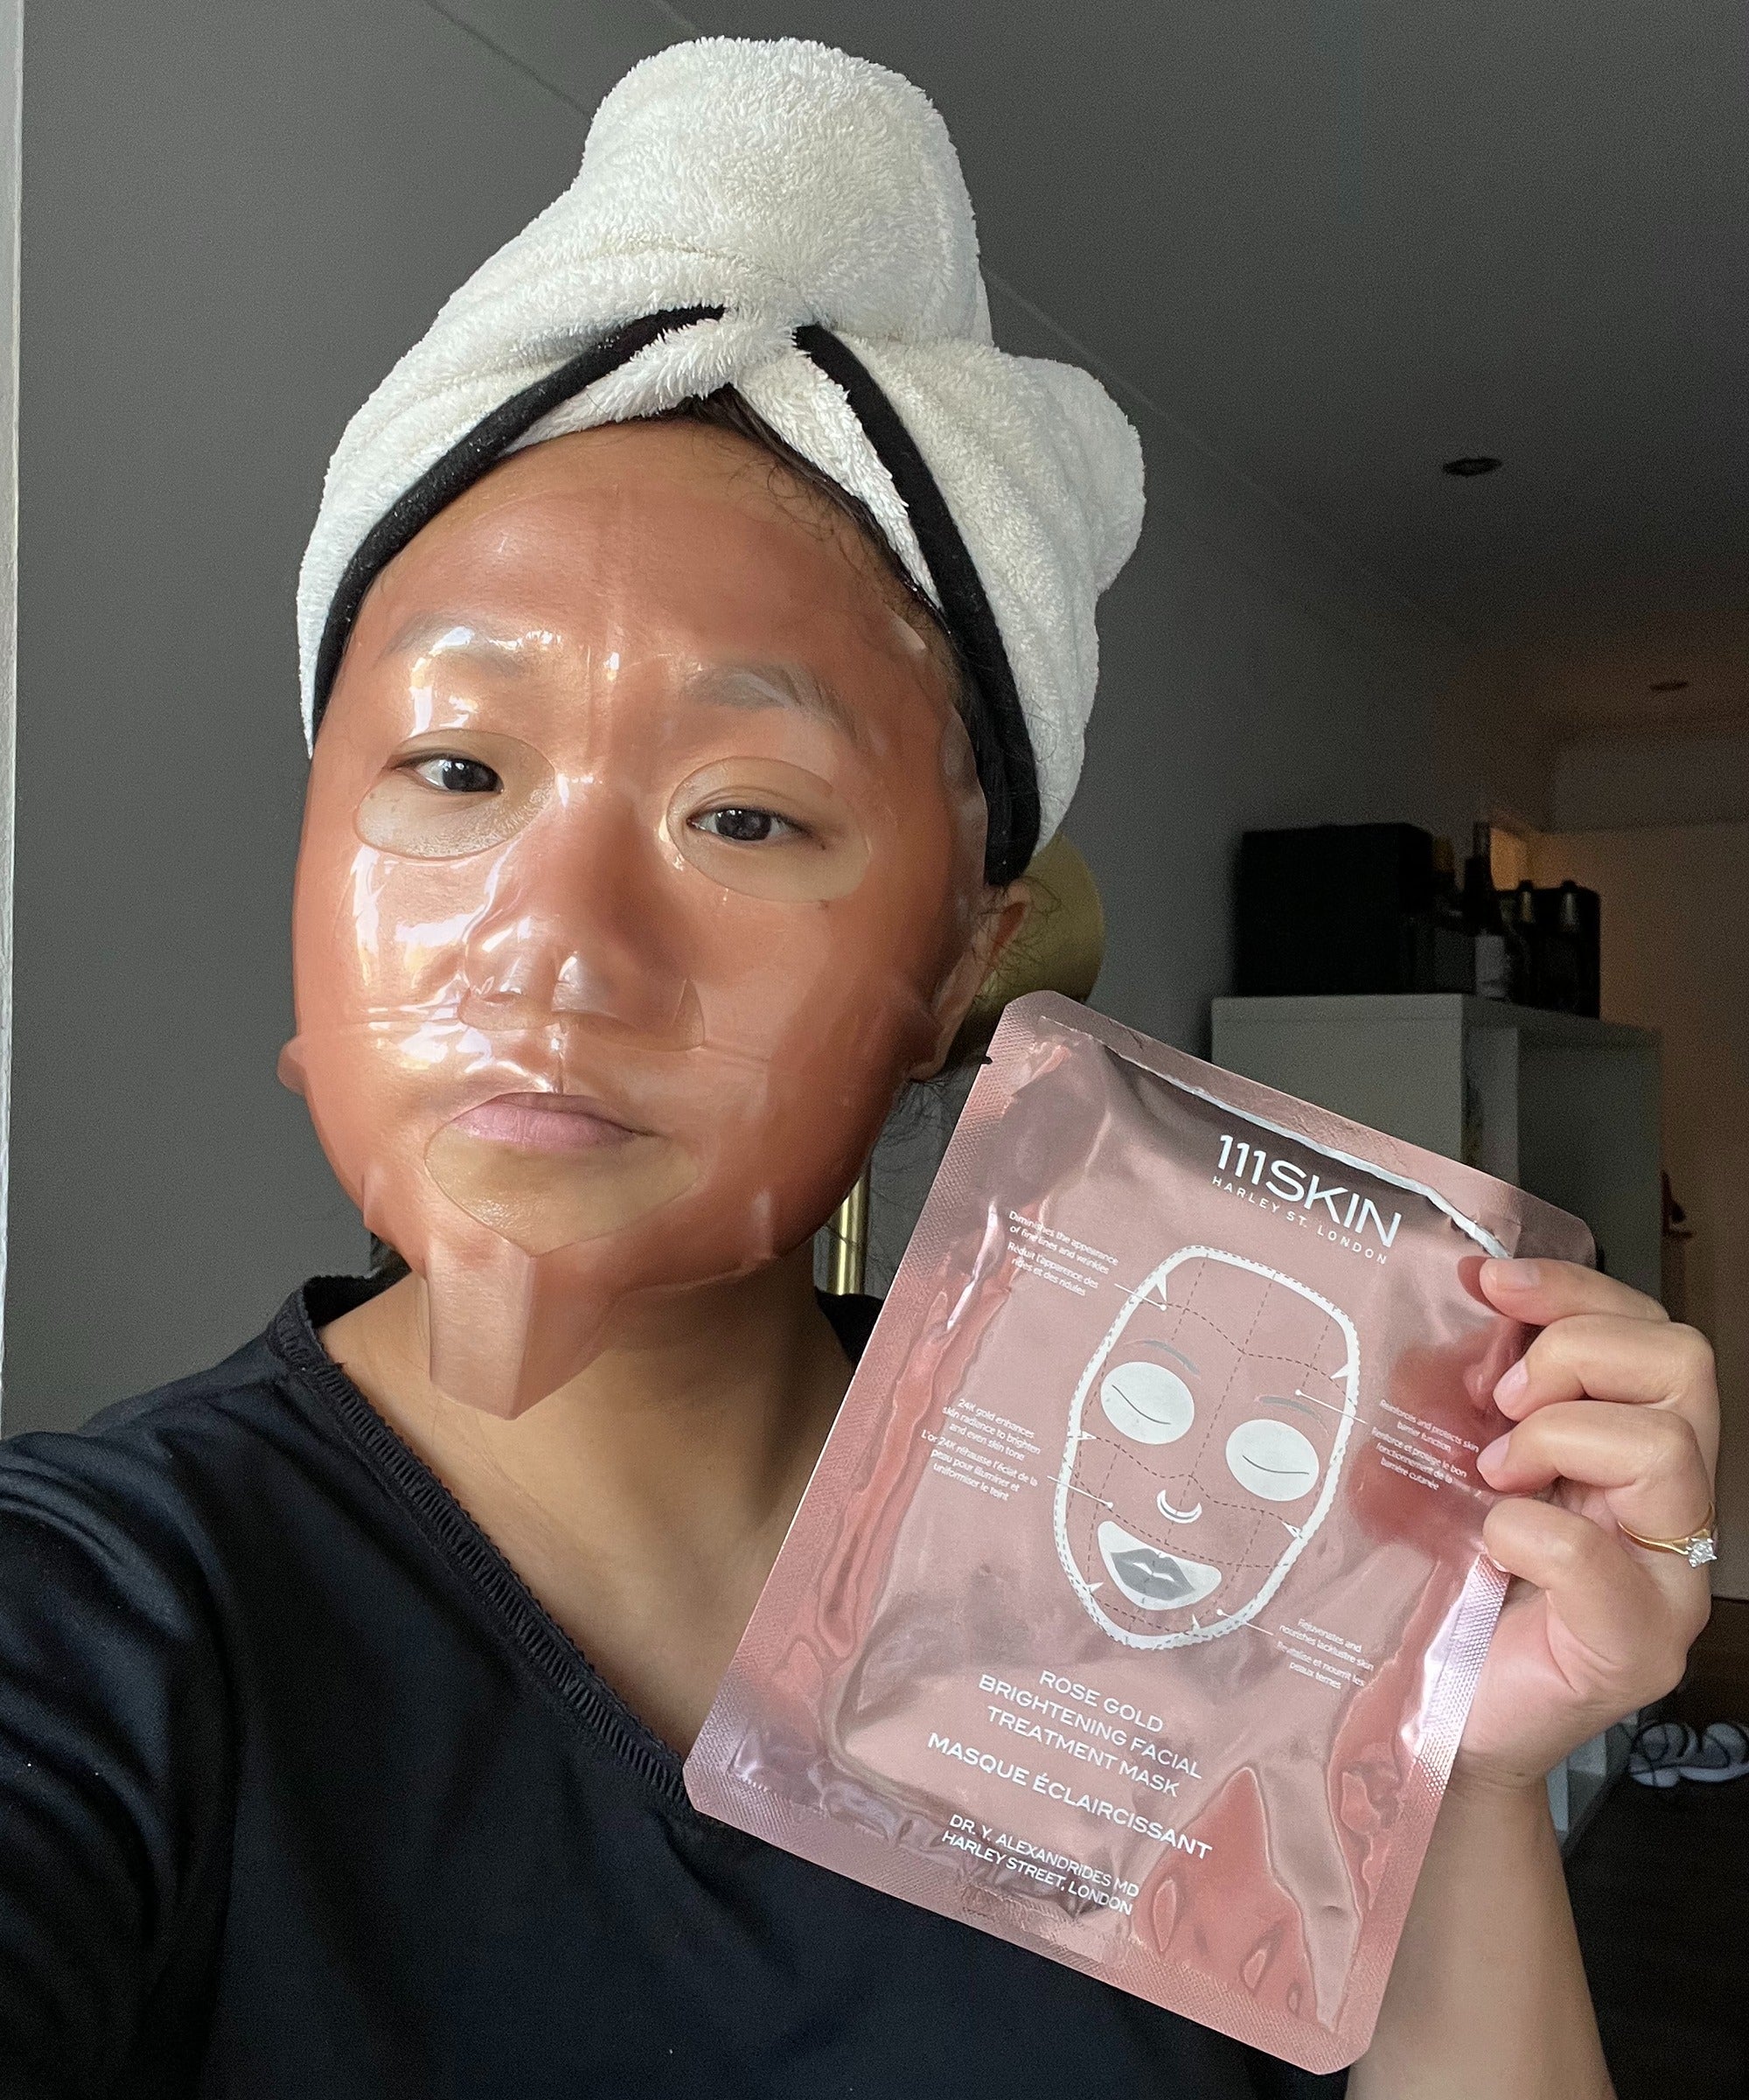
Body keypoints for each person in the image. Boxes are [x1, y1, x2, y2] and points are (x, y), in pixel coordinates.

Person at [0, 39, 1716, 2100]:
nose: (555, 940)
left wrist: (1458, 1766)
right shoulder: (97, 1626)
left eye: (743, 813)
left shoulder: (1150, 1518)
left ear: (959, 972)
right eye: (453, 770)